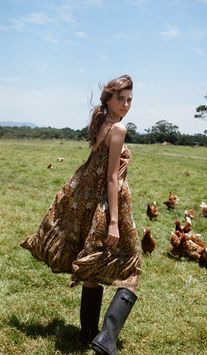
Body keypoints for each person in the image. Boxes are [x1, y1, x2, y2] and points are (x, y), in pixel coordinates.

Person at [20, 74, 141, 355]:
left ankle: (88, 334)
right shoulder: (118, 129)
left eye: (130, 100)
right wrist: (113, 221)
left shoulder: (100, 121)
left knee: (92, 264)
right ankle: (107, 338)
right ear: (109, 99)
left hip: (88, 200)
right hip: (110, 204)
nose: (126, 105)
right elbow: (111, 178)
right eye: (120, 99)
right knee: (132, 270)